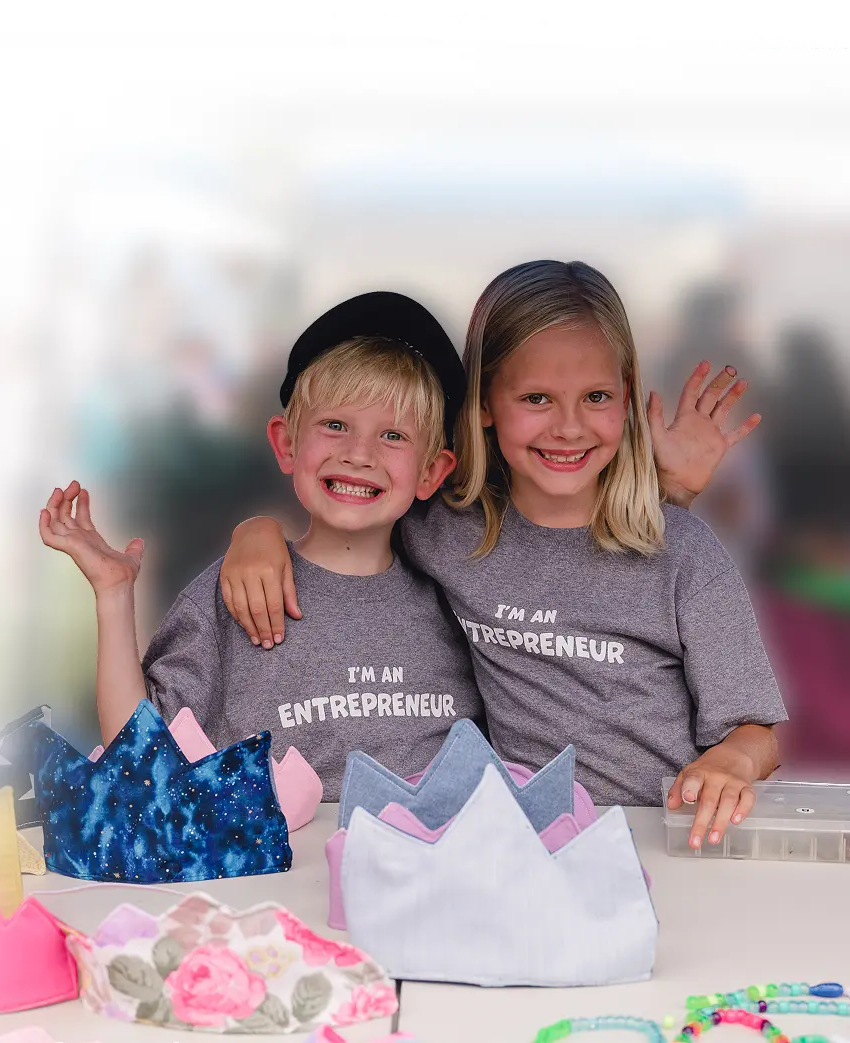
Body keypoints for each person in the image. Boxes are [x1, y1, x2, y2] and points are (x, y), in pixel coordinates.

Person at [220, 261, 786, 848]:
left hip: (672, 835)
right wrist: (257, 531)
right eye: (536, 397)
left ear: (626, 398)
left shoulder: (685, 553)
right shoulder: (446, 533)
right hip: (526, 846)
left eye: (596, 397)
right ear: (485, 403)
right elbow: (351, 510)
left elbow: (757, 731)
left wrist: (735, 763)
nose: (568, 428)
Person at [38, 292, 484, 799]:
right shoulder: (229, 592)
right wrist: (114, 594)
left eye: (393, 436)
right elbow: (139, 759)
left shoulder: (460, 601)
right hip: (274, 873)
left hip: (427, 867)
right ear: (286, 444)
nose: (359, 454)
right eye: (335, 425)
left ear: (431, 471)